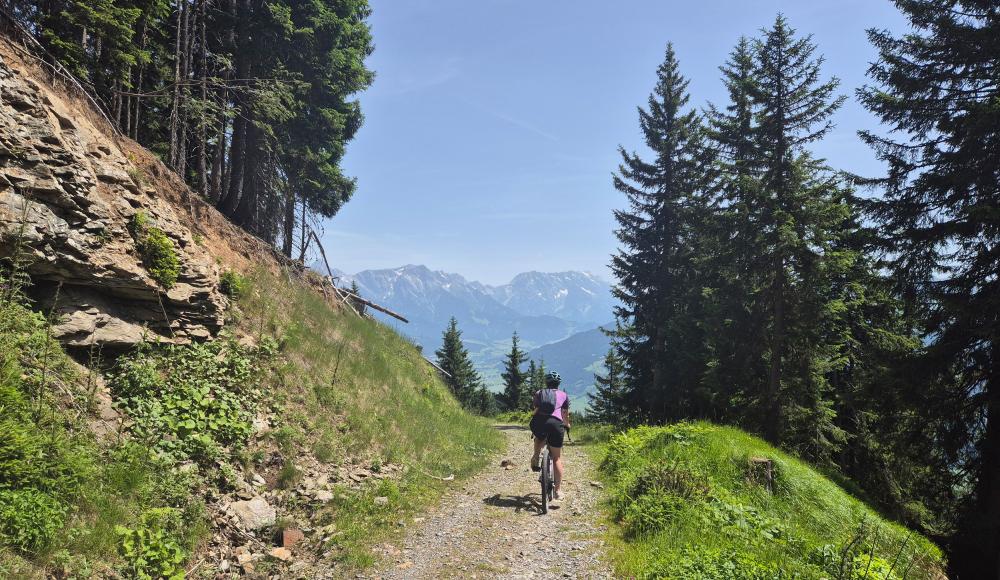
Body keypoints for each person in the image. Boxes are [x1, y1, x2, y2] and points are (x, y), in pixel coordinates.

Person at [529, 371, 571, 501]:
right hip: (555, 424)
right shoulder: (564, 395)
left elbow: (535, 410)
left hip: (541, 422)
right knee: (557, 458)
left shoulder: (539, 393)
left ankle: (536, 456)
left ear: (546, 383)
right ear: (558, 384)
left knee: (539, 437)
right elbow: (564, 414)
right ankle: (557, 491)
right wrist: (567, 425)